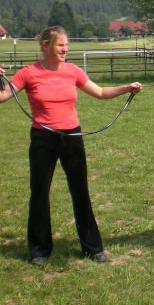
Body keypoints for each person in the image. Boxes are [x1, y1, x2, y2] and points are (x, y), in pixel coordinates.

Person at [0, 26, 142, 264]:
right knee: (39, 193)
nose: (65, 49)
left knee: (80, 191)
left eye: (66, 45)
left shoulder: (73, 71)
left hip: (72, 137)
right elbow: (3, 95)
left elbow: (100, 92)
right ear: (45, 46)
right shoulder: (29, 73)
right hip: (42, 139)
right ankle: (39, 250)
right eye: (60, 45)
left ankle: (92, 247)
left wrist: (127, 88)